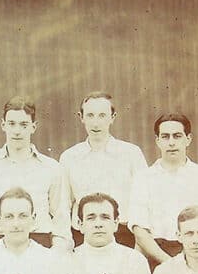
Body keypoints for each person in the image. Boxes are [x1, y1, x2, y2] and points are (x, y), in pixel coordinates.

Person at [128, 114, 198, 270]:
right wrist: (171, 265)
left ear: (188, 139)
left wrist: (195, 258)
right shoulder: (143, 178)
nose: (171, 142)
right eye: (165, 136)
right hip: (157, 256)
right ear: (158, 141)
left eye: (177, 136)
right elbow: (140, 231)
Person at [0, 96, 71, 250]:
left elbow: (61, 216)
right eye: (12, 124)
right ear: (3, 125)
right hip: (0, 244)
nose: (17, 131)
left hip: (41, 242)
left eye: (23, 125)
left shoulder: (50, 167)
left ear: (33, 127)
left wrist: (57, 252)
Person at [58, 92, 147, 248]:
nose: (96, 123)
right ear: (81, 117)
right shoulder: (69, 157)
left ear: (112, 117)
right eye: (90, 115)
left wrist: (140, 244)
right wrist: (66, 243)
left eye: (102, 115)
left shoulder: (131, 153)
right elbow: (63, 204)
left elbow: (144, 201)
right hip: (83, 236)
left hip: (123, 235)